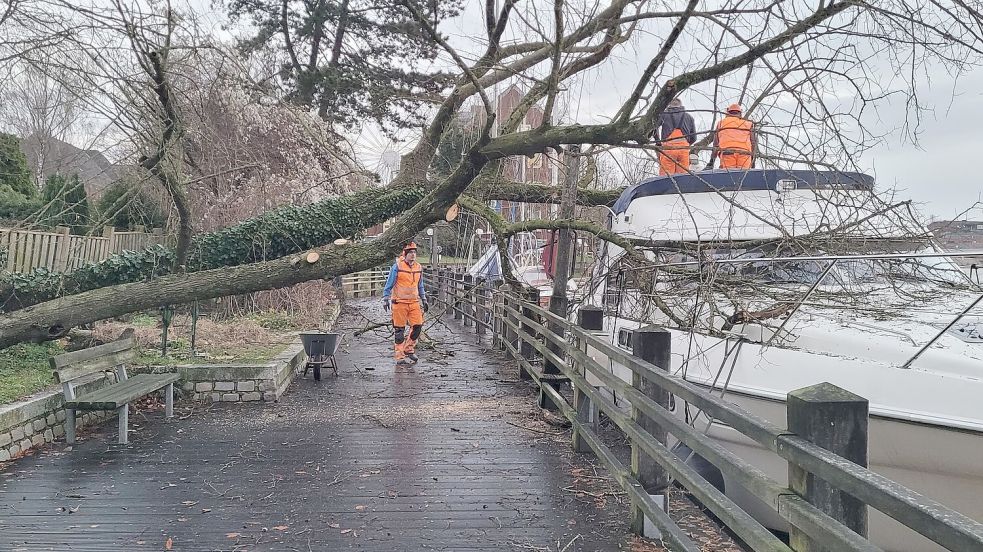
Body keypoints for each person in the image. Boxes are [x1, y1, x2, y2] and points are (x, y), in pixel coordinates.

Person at [382, 242, 429, 366]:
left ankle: (409, 348)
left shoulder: (418, 267)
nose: (413, 255)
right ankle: (399, 355)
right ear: (405, 254)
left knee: (418, 326)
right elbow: (390, 282)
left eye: (414, 252)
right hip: (399, 302)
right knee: (399, 330)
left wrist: (424, 299)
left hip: (414, 302)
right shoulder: (397, 266)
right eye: (410, 253)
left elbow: (420, 285)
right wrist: (385, 297)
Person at [707, 103, 755, 170]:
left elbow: (716, 145)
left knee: (728, 177)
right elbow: (753, 143)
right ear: (740, 113)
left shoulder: (721, 123)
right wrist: (753, 160)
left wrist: (711, 161)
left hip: (727, 152)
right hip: (745, 154)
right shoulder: (748, 124)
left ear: (727, 113)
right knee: (744, 177)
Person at [656, 98, 697, 175]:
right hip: (683, 150)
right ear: (681, 105)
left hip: (668, 150)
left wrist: (658, 143)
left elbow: (654, 129)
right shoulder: (689, 117)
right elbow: (694, 138)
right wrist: (685, 144)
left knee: (666, 177)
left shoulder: (664, 115)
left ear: (669, 105)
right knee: (682, 177)